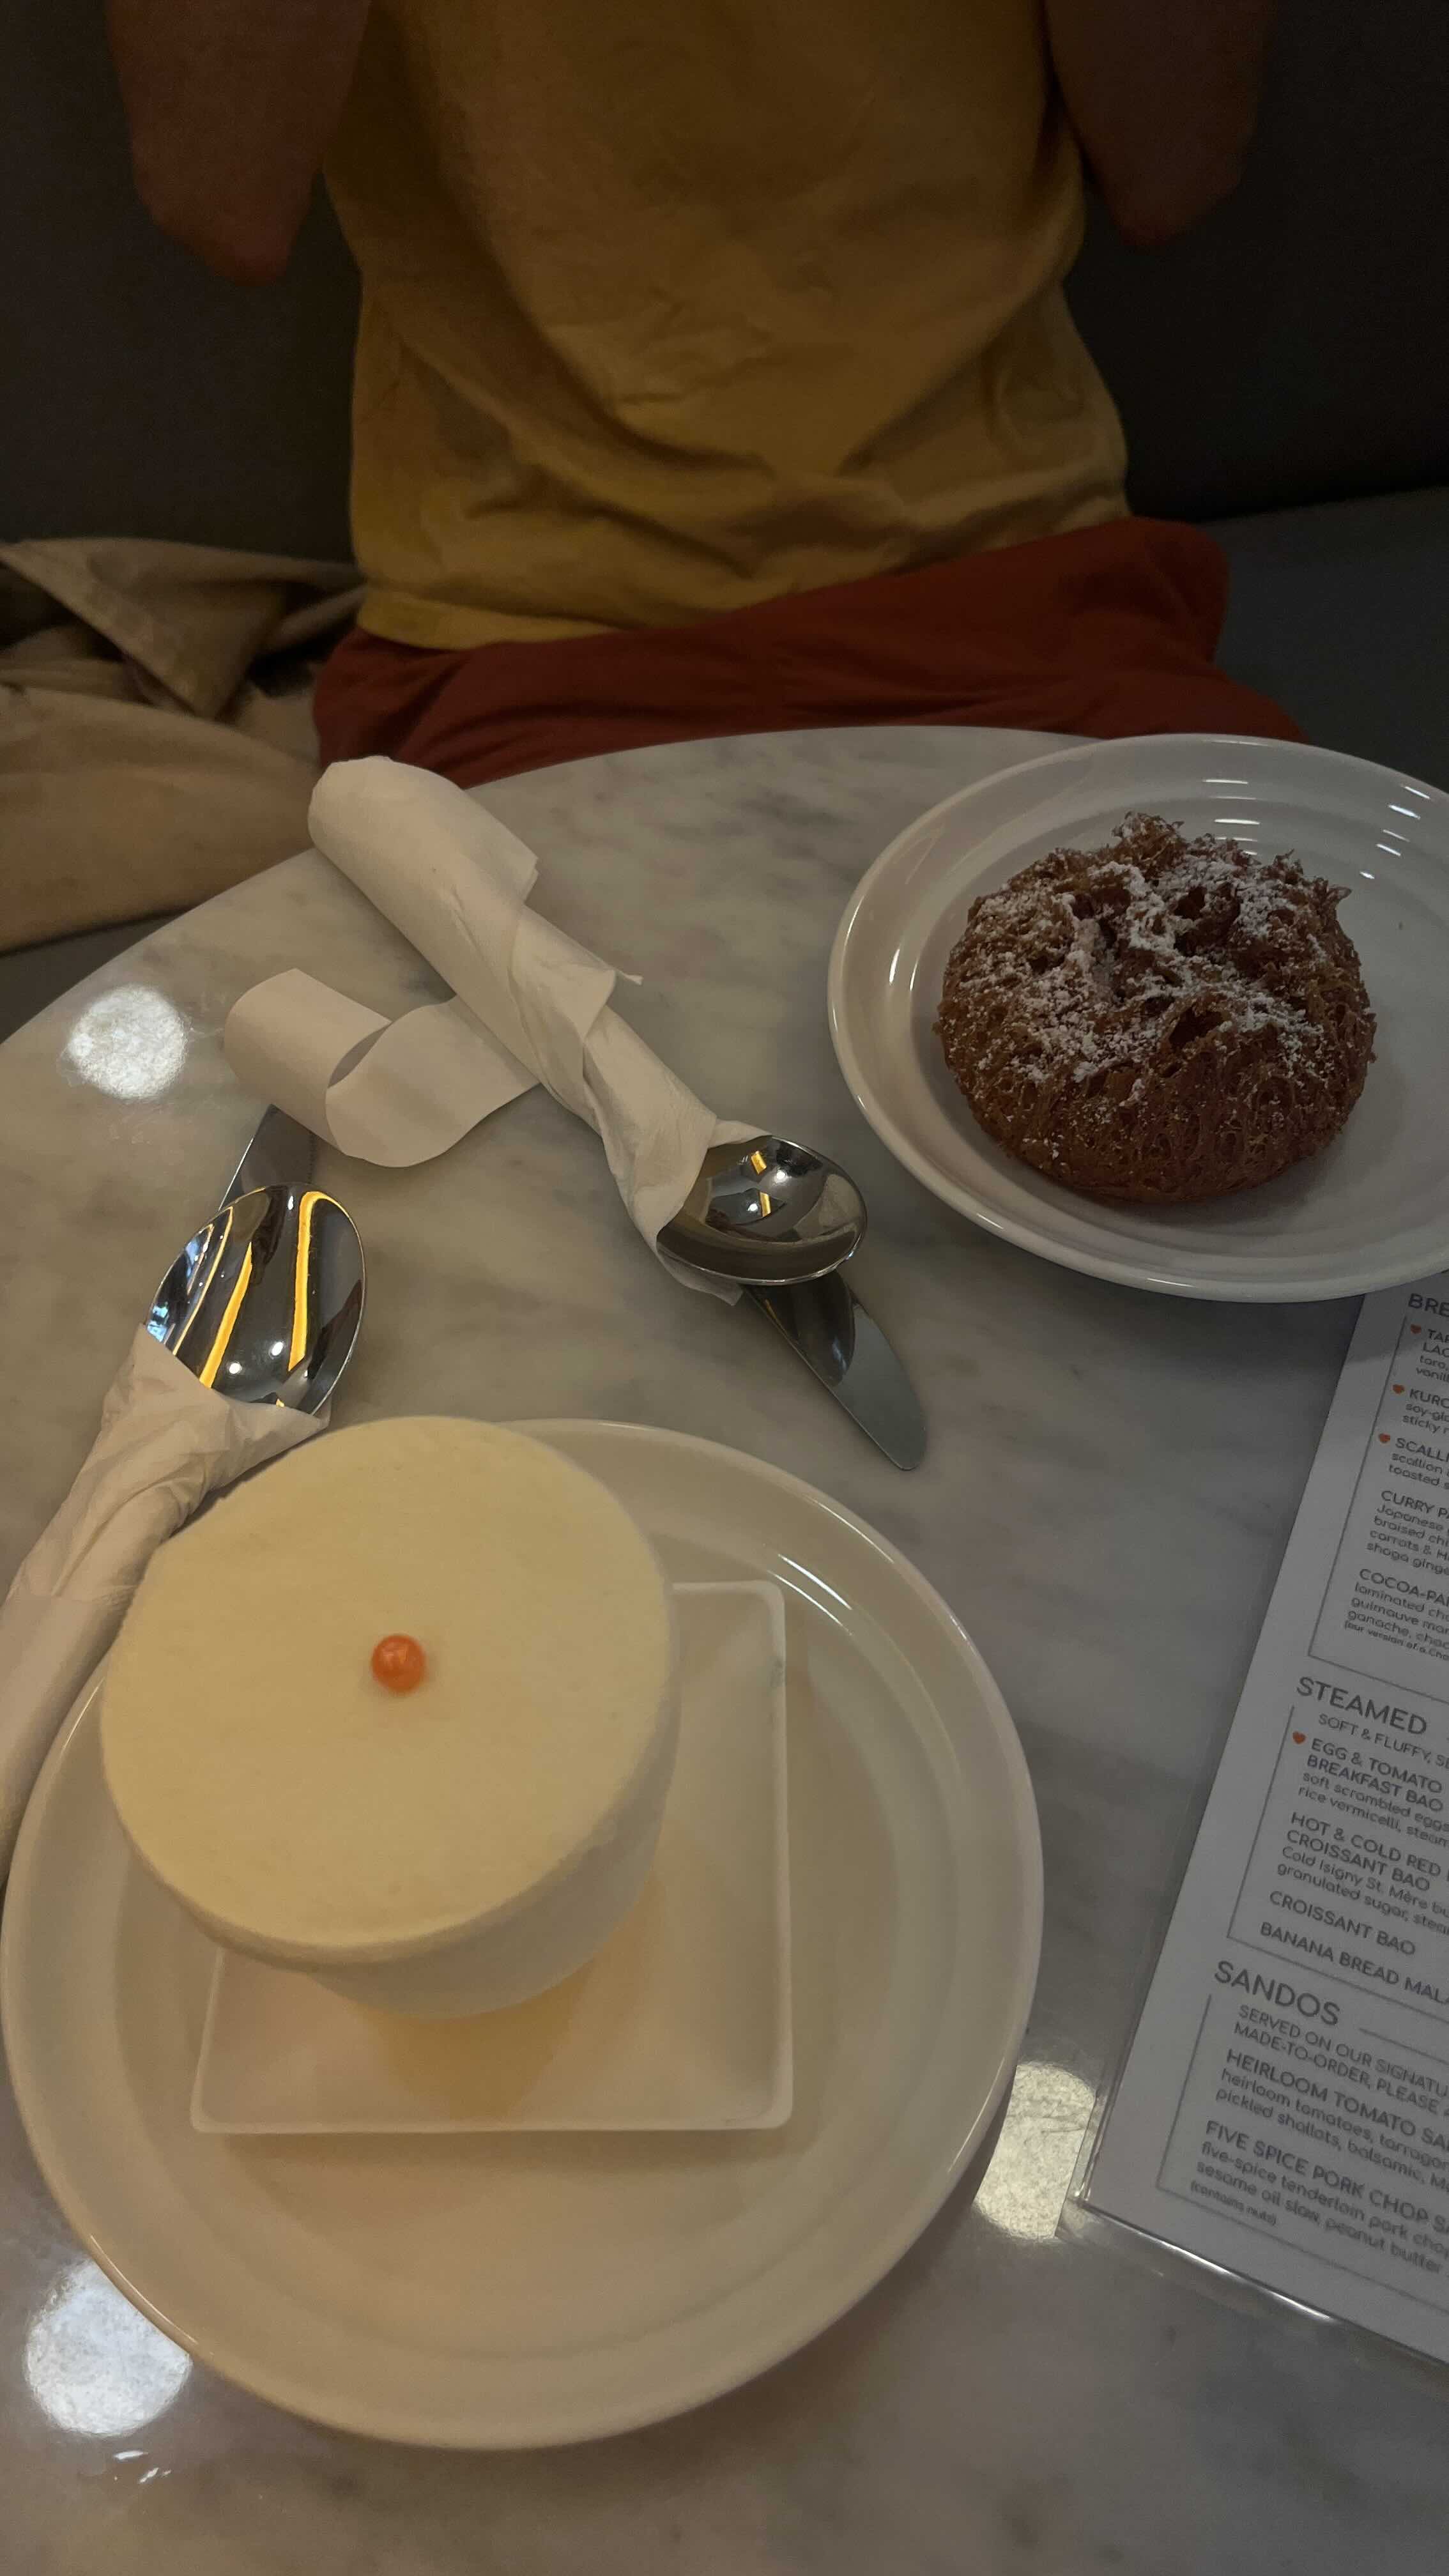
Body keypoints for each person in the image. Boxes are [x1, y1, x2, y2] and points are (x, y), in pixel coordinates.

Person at [107, 0, 1292, 786]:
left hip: (1020, 588)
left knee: (1293, 1030)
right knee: (546, 1098)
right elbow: (222, 192)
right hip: (529, 634)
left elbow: (1177, 164)